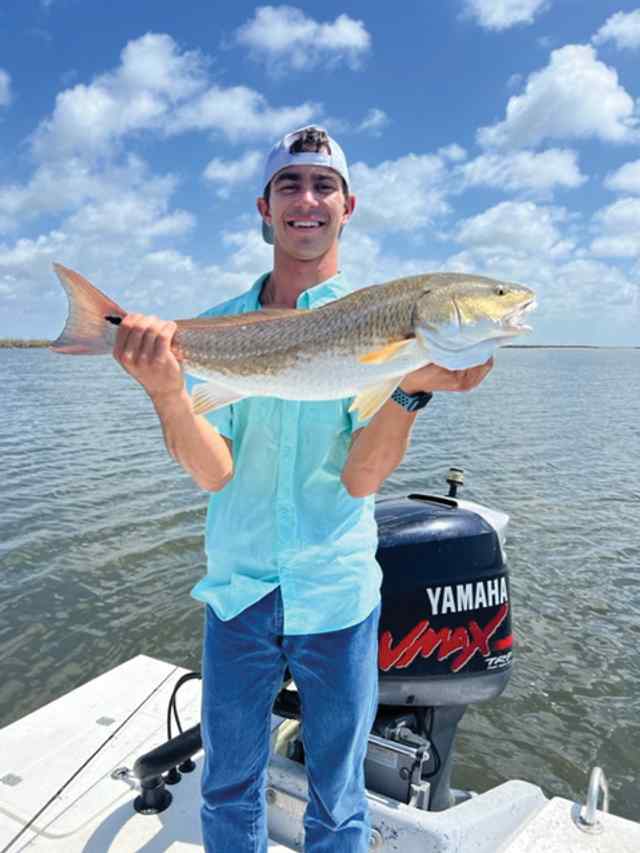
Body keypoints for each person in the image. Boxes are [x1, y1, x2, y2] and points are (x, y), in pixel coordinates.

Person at [112, 126, 493, 852]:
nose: (307, 199)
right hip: (238, 591)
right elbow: (214, 471)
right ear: (265, 206)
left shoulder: (384, 319)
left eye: (323, 185)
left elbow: (361, 478)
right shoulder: (219, 323)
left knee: (340, 797)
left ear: (349, 205)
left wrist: (409, 391)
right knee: (226, 788)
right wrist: (166, 393)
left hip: (337, 591)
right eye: (290, 184)